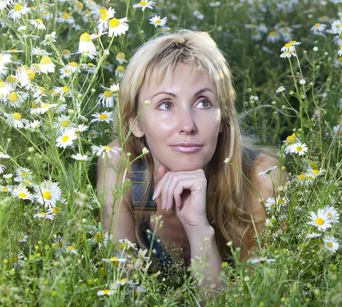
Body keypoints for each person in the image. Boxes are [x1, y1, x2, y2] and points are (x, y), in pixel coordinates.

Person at [96, 30, 282, 292]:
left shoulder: (262, 179)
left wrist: (198, 229)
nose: (187, 125)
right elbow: (121, 288)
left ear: (223, 118)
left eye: (203, 103)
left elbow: (252, 300)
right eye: (165, 105)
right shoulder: (121, 165)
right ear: (135, 123)